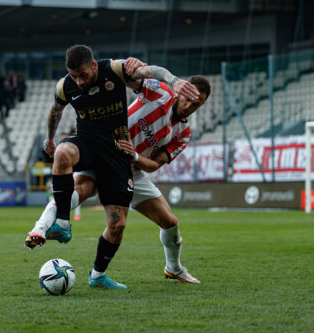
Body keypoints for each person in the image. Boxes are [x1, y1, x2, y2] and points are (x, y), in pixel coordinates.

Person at [25, 45, 200, 289]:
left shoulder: (183, 134)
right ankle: (42, 228)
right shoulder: (159, 93)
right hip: (99, 148)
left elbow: (155, 165)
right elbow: (146, 72)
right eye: (188, 99)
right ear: (179, 93)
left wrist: (136, 157)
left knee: (163, 223)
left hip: (130, 167)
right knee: (77, 189)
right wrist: (166, 77)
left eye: (196, 105)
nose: (189, 106)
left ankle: (173, 268)